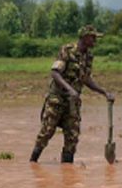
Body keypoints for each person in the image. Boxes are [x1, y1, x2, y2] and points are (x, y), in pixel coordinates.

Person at [30, 24, 115, 163]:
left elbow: (86, 78)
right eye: (93, 37)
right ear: (85, 37)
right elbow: (55, 73)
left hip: (72, 102)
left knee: (72, 137)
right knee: (46, 133)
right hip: (57, 99)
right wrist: (70, 89)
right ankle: (32, 163)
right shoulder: (67, 50)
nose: (95, 41)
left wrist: (104, 92)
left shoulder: (88, 56)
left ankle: (67, 170)